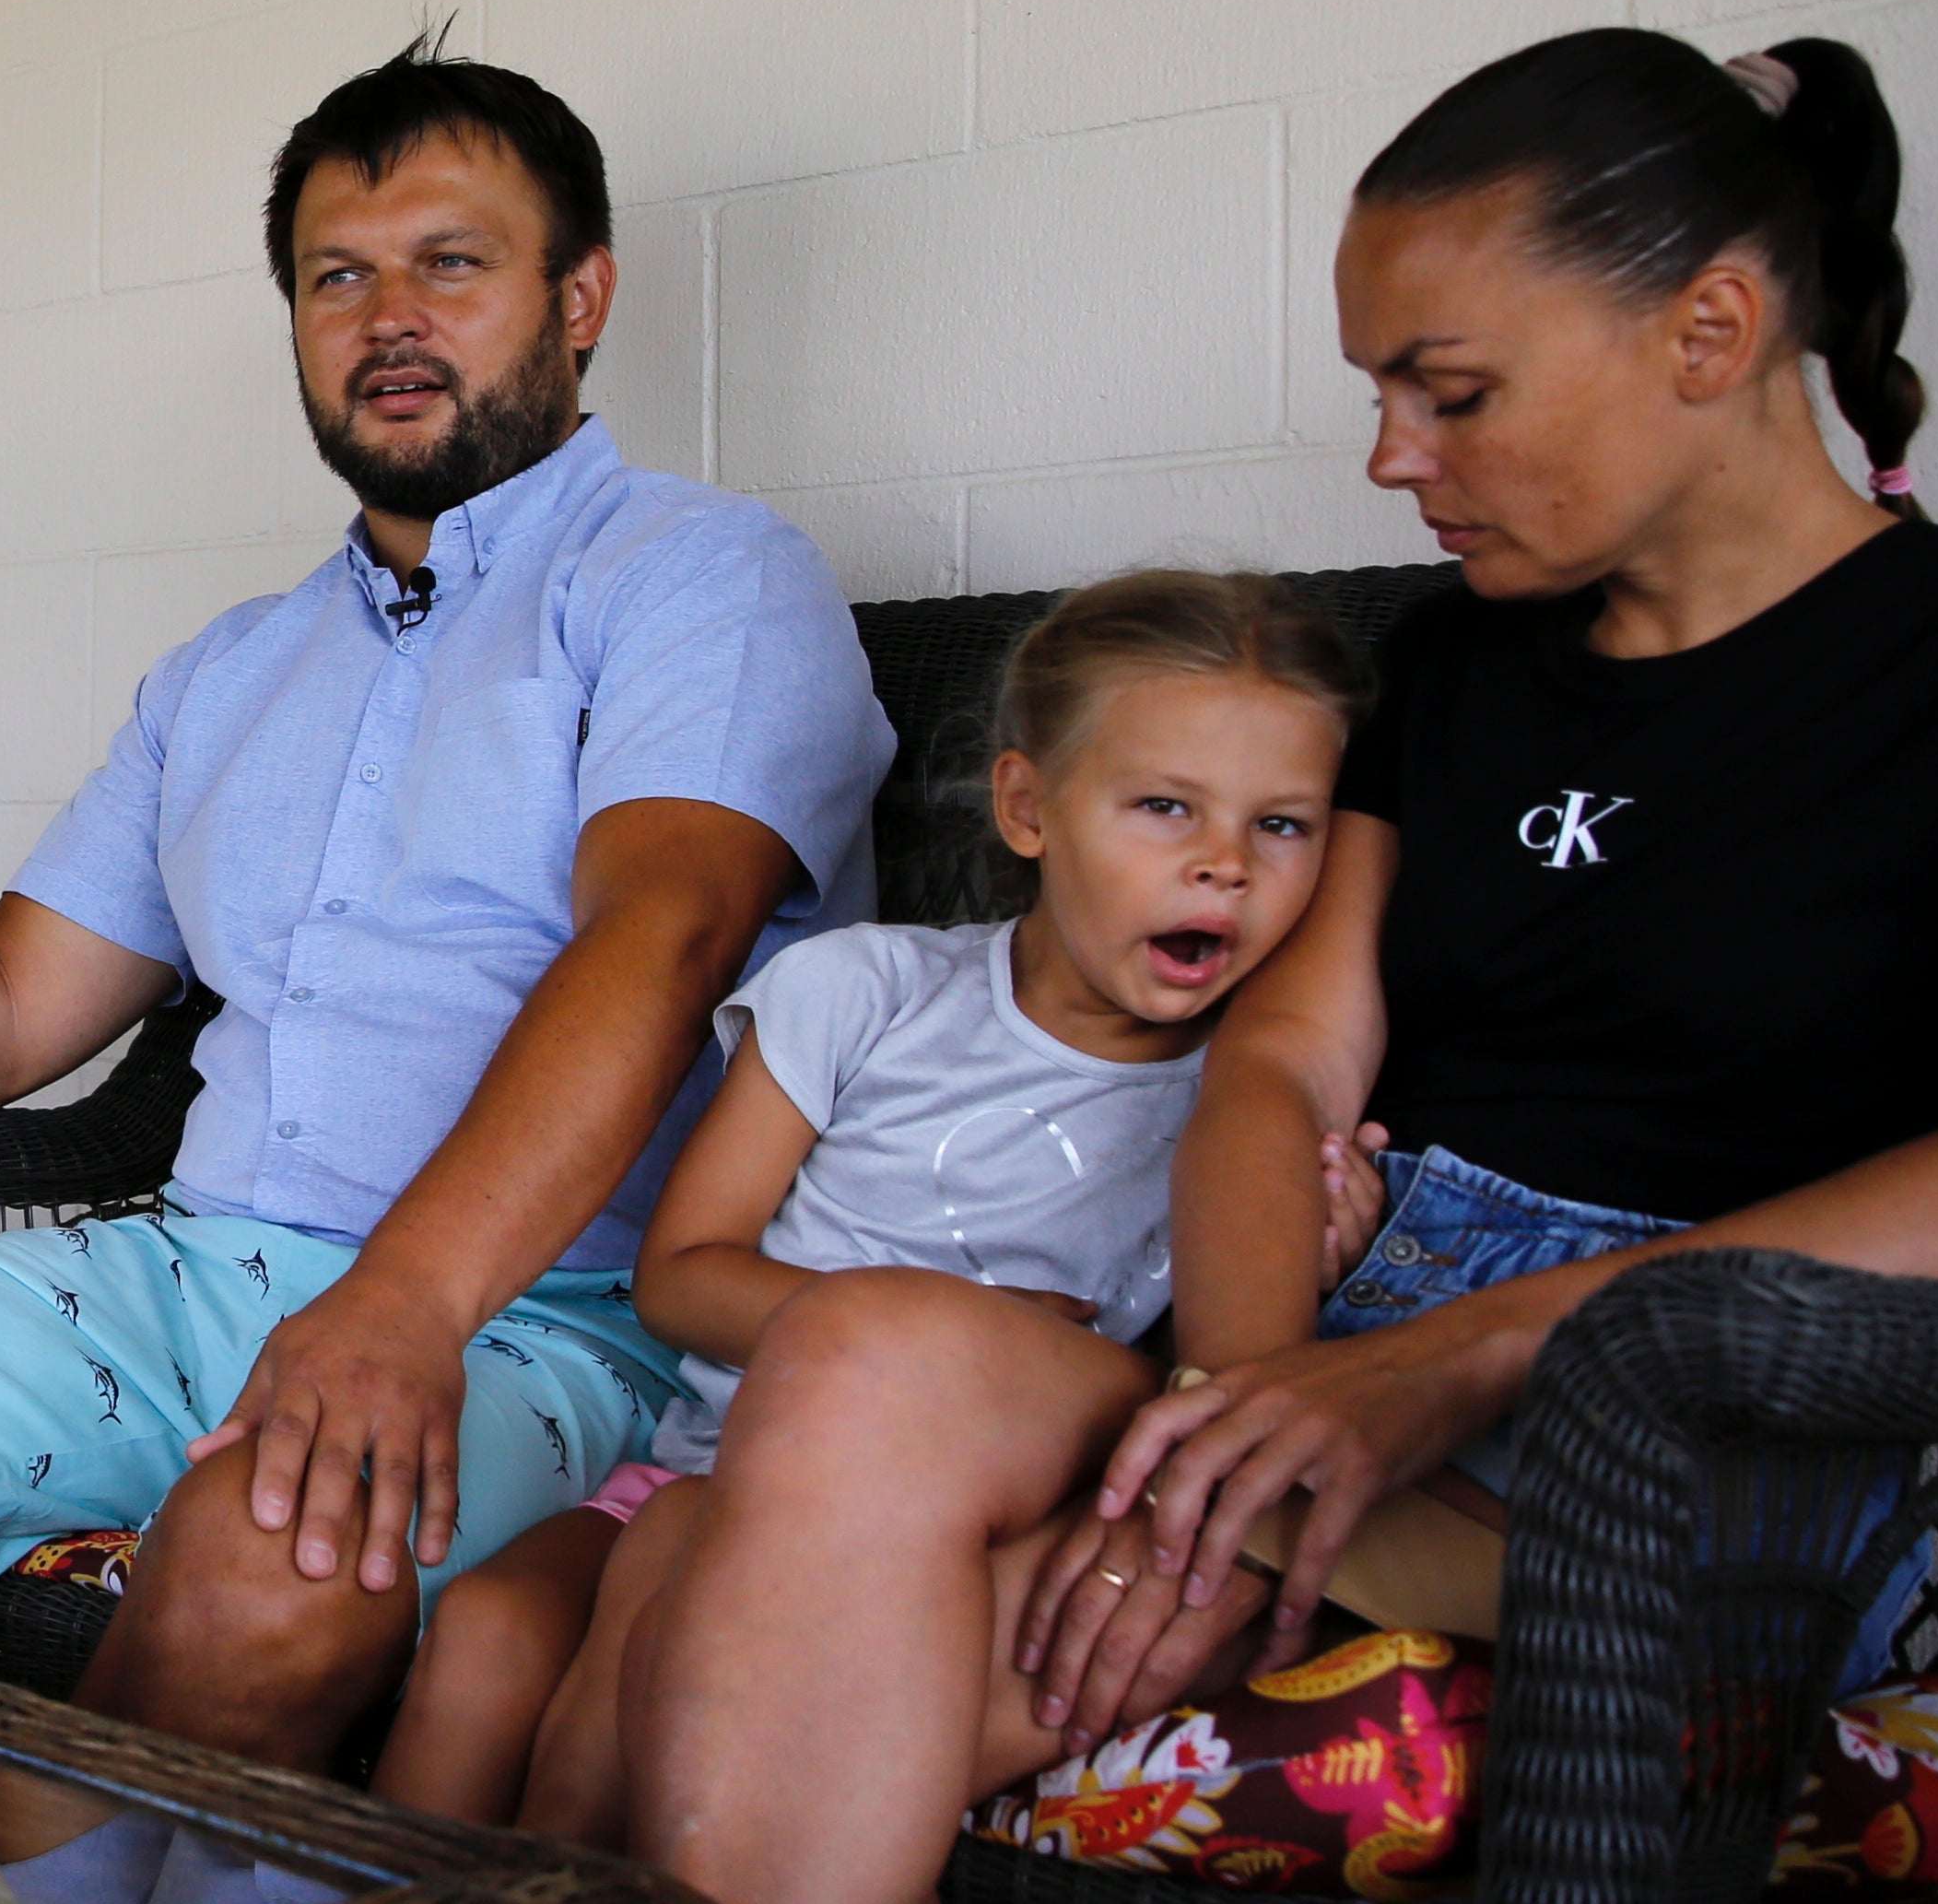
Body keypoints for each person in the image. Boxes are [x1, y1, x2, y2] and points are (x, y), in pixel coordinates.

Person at [570, 29, 1938, 1904]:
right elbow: (1276, 1083)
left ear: (1705, 330)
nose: (1389, 463)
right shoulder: (1469, 670)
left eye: (1443, 390)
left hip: (1713, 1452)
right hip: (1318, 1373)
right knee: (865, 1377)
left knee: (744, 1654)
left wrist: (1440, 1364)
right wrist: (1261, 1410)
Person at [0, 38, 893, 1904]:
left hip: (541, 1317)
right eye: (337, 277)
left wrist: (405, 1310)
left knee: (270, 1563)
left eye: (454, 262)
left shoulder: (702, 577)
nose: (388, 319)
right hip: (195, 1277)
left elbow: (659, 946)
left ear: (580, 297)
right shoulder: (229, 670)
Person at [381, 570, 1378, 1830]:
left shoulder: (1254, 1109)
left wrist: (1331, 1246)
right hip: (700, 1468)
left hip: (937, 1537)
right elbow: (685, 1272)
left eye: (1283, 826)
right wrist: (916, 1331)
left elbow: (1204, 1373)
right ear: (1028, 806)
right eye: (1166, 807)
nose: (1223, 866)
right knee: (482, 1638)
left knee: (631, 1682)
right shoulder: (868, 992)